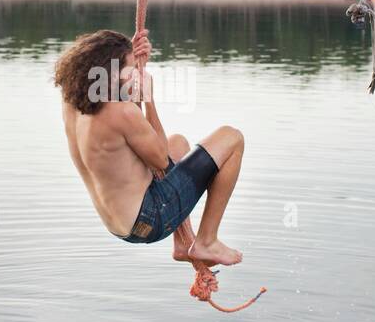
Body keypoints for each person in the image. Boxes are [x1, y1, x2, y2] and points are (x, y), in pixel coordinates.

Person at [55, 28, 244, 267]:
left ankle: (182, 243)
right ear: (113, 73)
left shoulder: (71, 103)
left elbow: (136, 139)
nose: (137, 72)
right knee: (232, 138)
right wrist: (148, 99)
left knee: (179, 143)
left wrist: (129, 55)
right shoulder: (121, 111)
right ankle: (207, 241)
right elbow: (161, 160)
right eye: (132, 69)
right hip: (149, 219)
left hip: (118, 224)